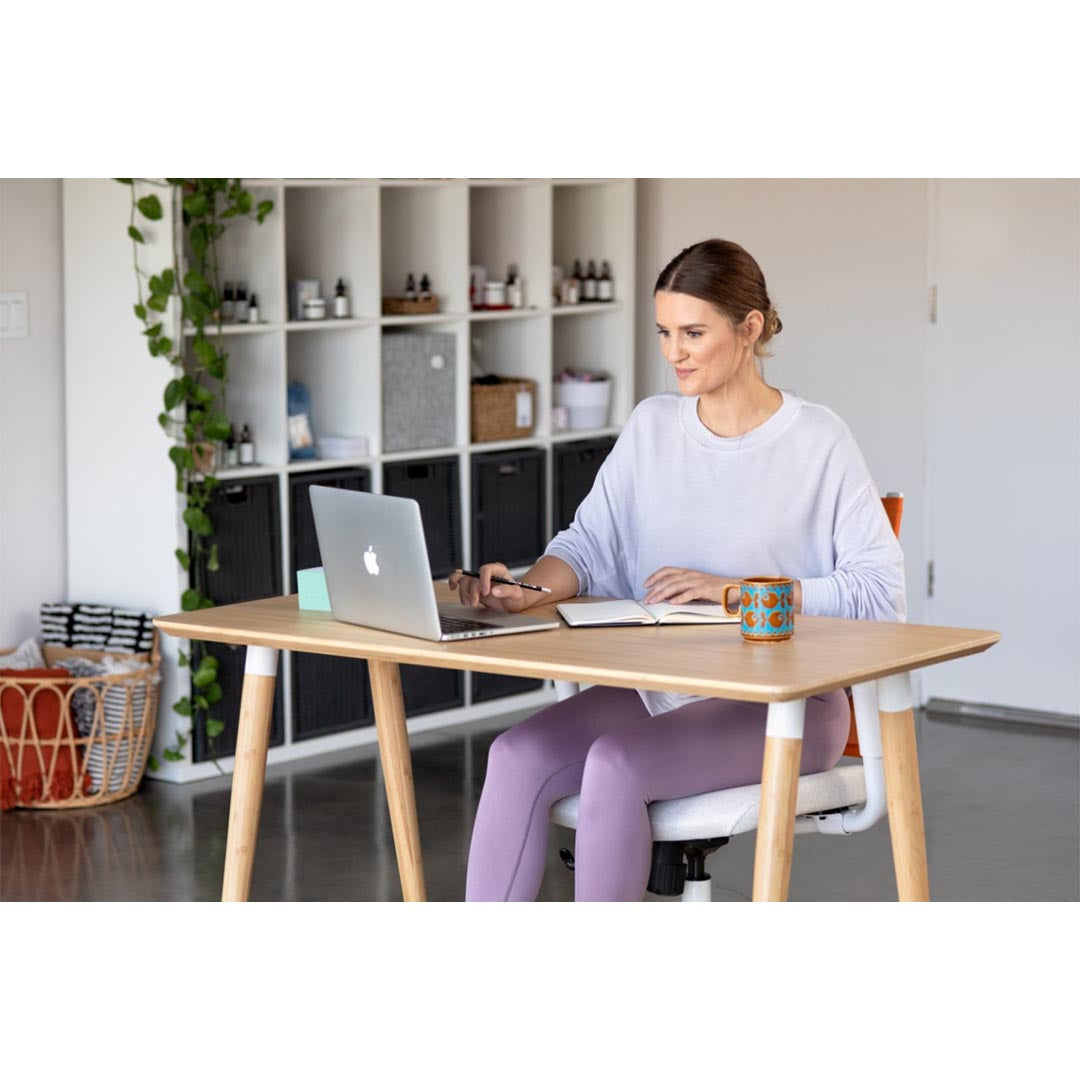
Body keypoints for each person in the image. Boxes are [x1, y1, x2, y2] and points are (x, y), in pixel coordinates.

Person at [450, 238, 906, 902]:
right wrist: (528, 592)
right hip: (664, 685)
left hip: (789, 705)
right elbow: (589, 545)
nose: (674, 352)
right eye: (665, 332)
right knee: (514, 756)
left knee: (616, 762)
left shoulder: (818, 440)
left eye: (693, 332)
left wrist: (736, 594)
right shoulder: (652, 426)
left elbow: (880, 595)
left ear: (749, 329)